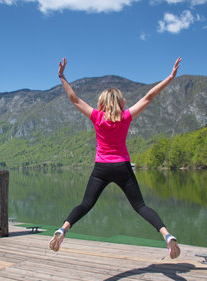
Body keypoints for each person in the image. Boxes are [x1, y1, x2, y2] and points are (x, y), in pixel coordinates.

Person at [49, 57, 182, 259]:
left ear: (102, 103)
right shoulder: (126, 117)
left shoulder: (96, 117)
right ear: (120, 102)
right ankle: (166, 235)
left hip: (101, 168)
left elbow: (74, 99)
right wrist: (170, 77)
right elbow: (149, 97)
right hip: (122, 167)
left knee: (85, 204)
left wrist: (62, 76)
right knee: (140, 206)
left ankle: (63, 229)